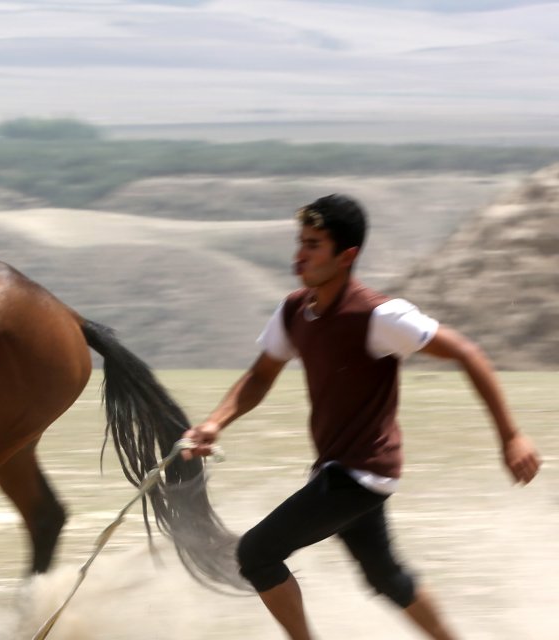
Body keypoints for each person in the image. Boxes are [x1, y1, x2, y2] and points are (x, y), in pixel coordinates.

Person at [182, 194, 542, 640]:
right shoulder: (296, 311)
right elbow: (260, 376)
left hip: (361, 474)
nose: (300, 254)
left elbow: (467, 351)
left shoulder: (378, 316)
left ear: (346, 255)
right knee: (385, 577)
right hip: (340, 470)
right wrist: (216, 422)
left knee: (256, 553)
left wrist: (511, 437)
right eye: (301, 241)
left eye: (314, 245)